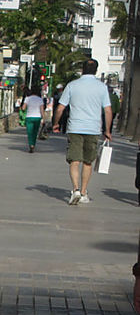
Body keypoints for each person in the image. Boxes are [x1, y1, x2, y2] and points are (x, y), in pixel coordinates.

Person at [51, 59, 112, 205]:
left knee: (74, 160)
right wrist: (107, 130)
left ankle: (75, 189)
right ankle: (84, 193)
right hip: (93, 129)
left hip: (75, 128)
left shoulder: (72, 86)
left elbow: (60, 108)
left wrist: (55, 123)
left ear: (82, 69)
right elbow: (108, 110)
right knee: (87, 162)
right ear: (96, 70)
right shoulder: (101, 87)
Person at [21, 84, 45, 152]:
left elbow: (23, 108)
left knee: (30, 132)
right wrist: (43, 119)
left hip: (29, 117)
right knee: (35, 132)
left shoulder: (27, 98)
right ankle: (33, 144)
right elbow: (42, 110)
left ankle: (31, 145)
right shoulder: (40, 99)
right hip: (37, 117)